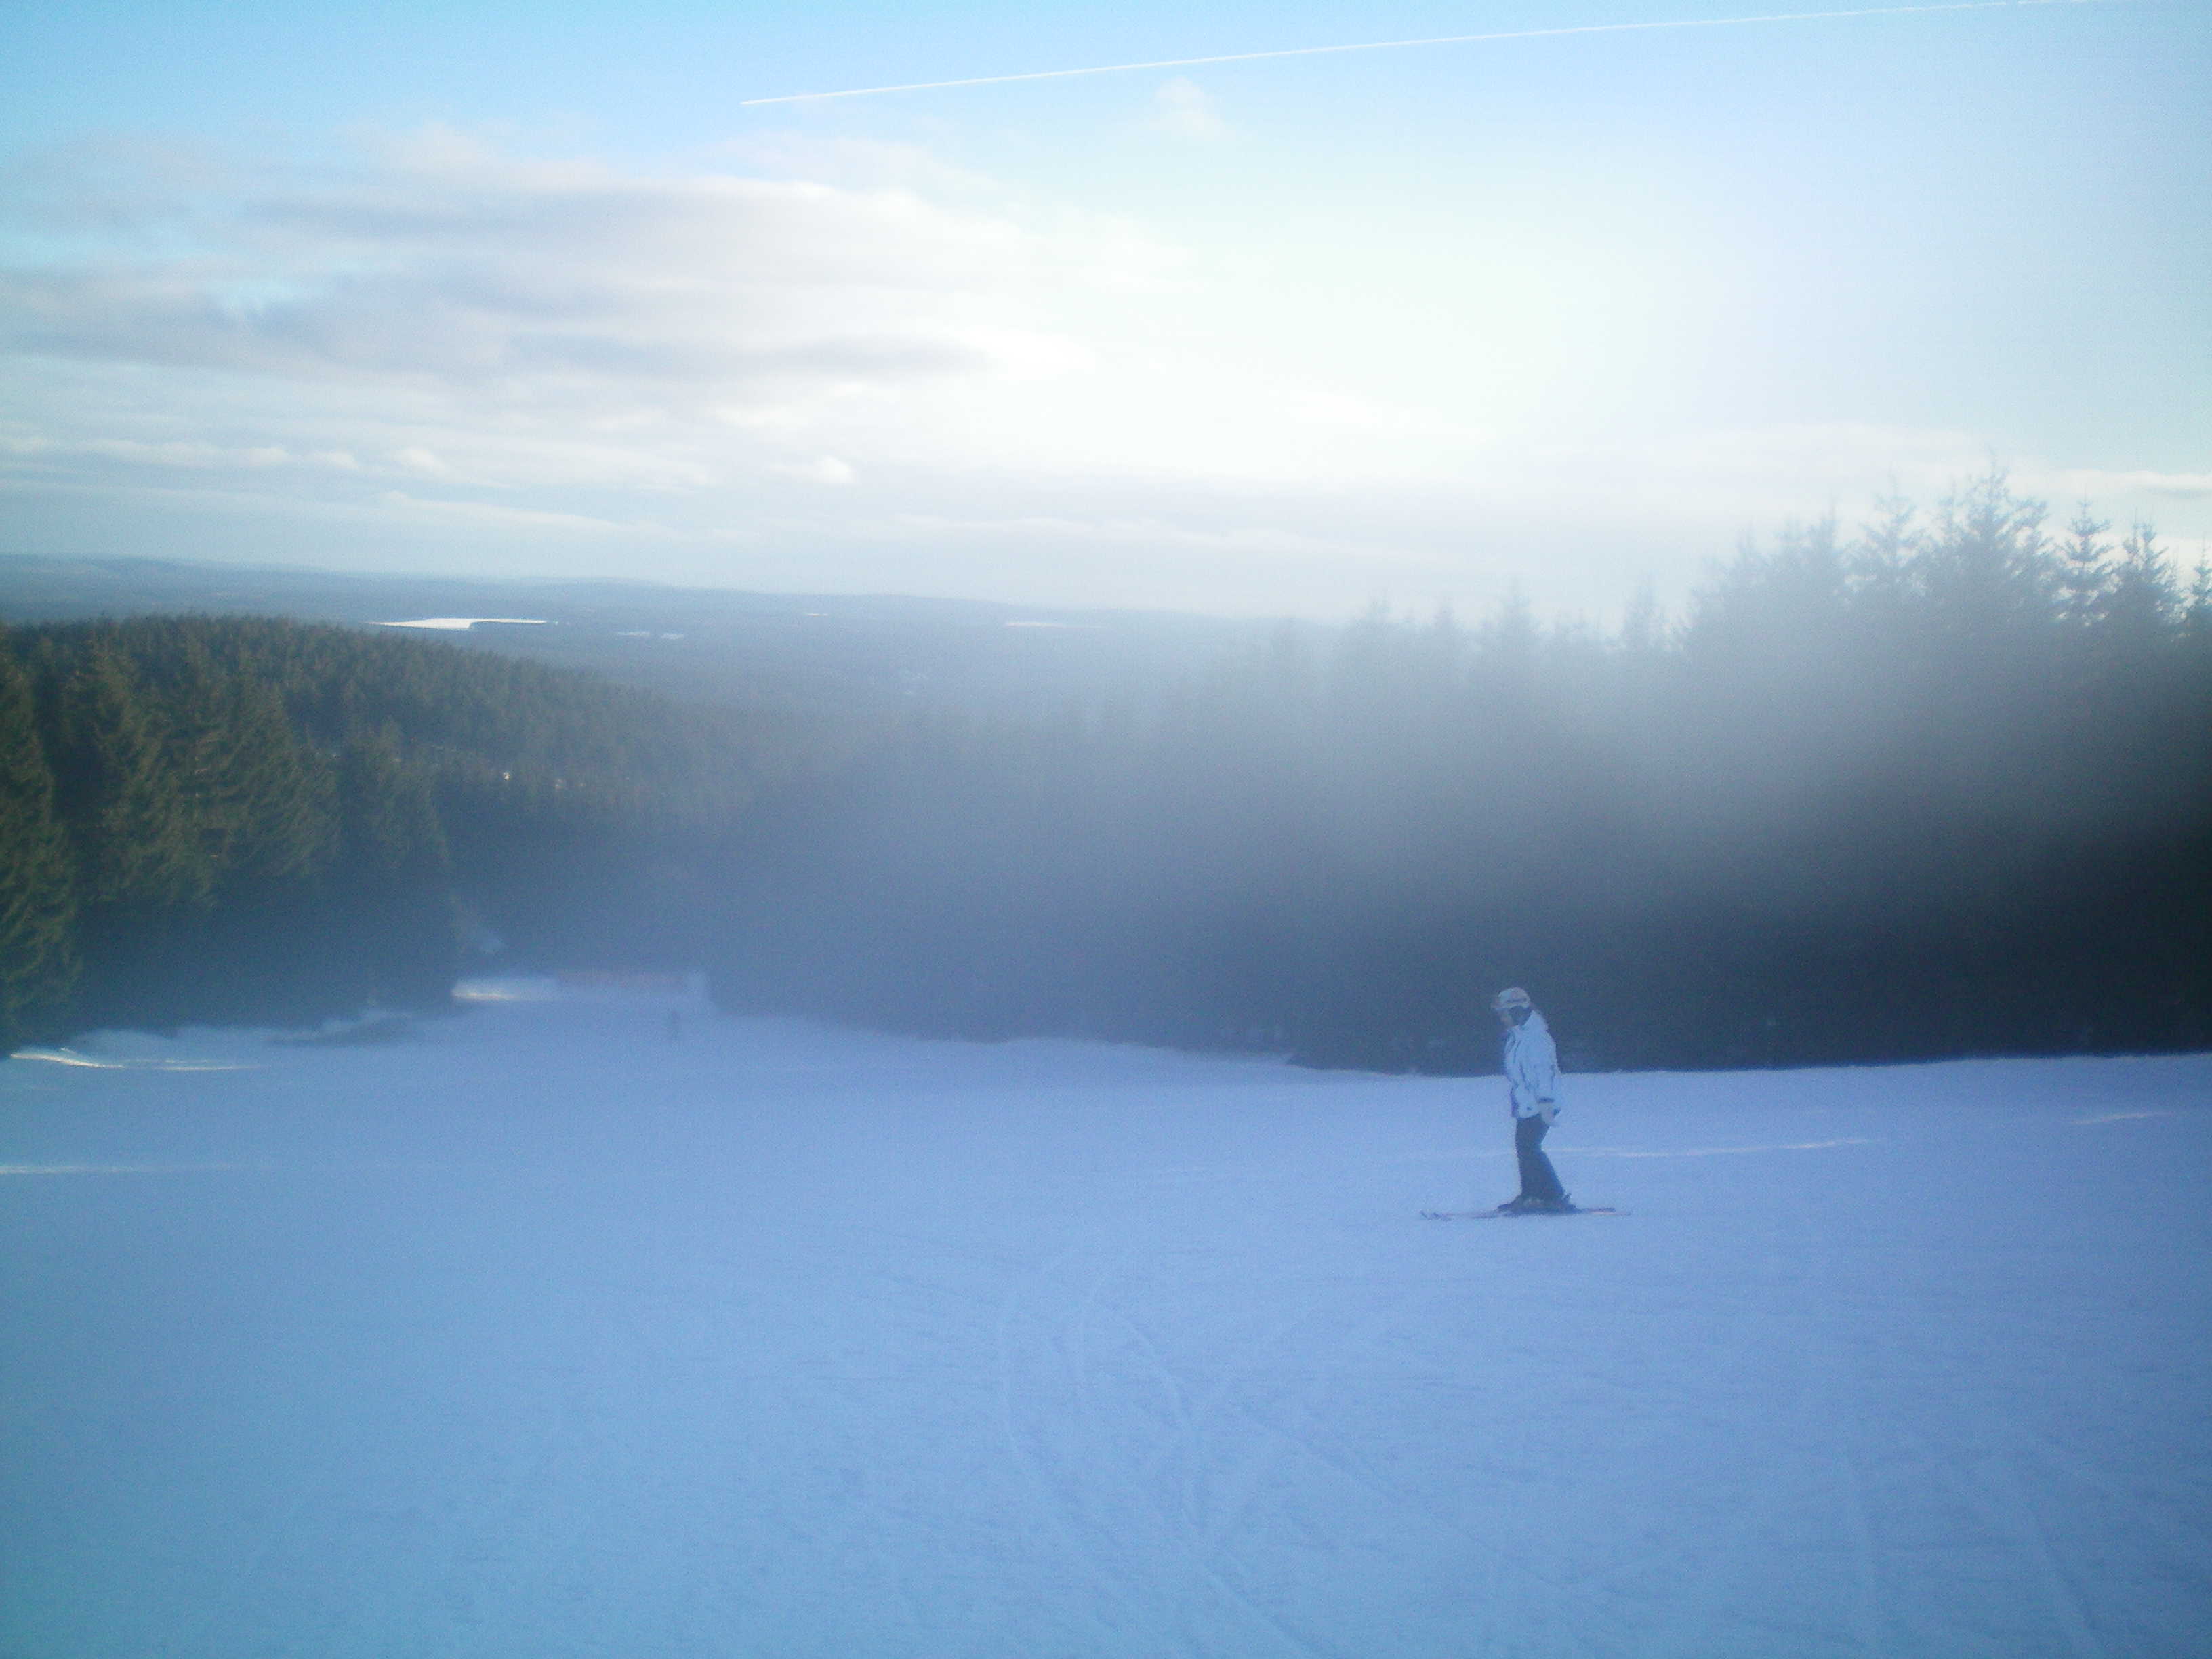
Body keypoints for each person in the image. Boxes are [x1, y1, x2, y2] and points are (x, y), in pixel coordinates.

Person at [1492, 987, 1571, 1213]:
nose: (1502, 1018)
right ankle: (1531, 1195)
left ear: (1517, 1011)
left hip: (1540, 1103)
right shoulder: (1518, 1036)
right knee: (1525, 1148)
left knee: (1530, 1148)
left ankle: (1553, 1196)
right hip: (1526, 1103)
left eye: (1505, 1013)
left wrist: (1546, 1102)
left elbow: (1543, 1072)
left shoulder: (1535, 1038)